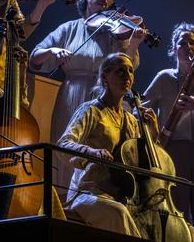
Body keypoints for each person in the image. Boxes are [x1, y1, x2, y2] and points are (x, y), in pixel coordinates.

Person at [30, 0, 146, 192]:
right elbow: (34, 58)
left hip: (106, 98)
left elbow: (127, 66)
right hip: (72, 96)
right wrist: (52, 50)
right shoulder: (70, 28)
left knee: (105, 158)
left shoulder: (117, 32)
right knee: (68, 155)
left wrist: (133, 44)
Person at [56, 52, 154, 237]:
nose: (127, 76)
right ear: (105, 77)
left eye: (131, 71)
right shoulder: (91, 110)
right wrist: (91, 152)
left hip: (122, 197)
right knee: (117, 213)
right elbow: (64, 143)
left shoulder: (131, 121)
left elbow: (145, 164)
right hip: (88, 193)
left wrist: (153, 132)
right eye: (120, 71)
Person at [142, 22, 194, 241]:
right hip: (173, 150)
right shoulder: (164, 77)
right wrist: (155, 131)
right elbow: (143, 108)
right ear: (173, 48)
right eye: (182, 42)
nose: (187, 47)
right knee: (175, 206)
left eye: (192, 42)